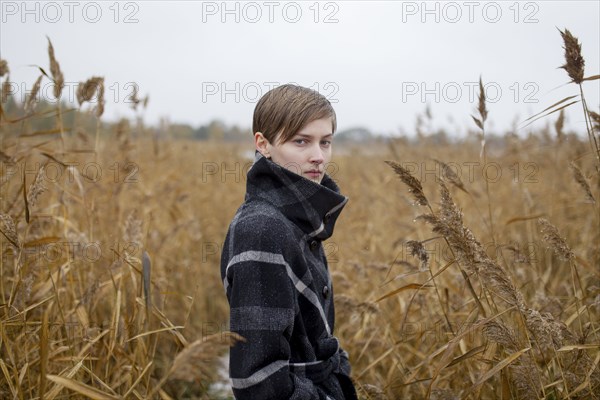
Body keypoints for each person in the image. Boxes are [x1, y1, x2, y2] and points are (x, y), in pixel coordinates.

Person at [220, 84, 357, 399]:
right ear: (263, 144)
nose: (318, 157)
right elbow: (257, 379)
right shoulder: (261, 230)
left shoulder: (299, 218)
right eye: (301, 141)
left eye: (326, 142)